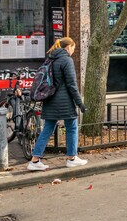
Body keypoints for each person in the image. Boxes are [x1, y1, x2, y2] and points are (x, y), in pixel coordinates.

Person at [27, 37, 87, 171]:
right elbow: (72, 85)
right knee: (72, 126)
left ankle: (35, 160)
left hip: (50, 99)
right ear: (68, 47)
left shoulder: (51, 59)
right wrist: (80, 103)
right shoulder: (66, 60)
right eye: (73, 48)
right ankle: (72, 158)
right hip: (64, 101)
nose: (73, 51)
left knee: (48, 129)